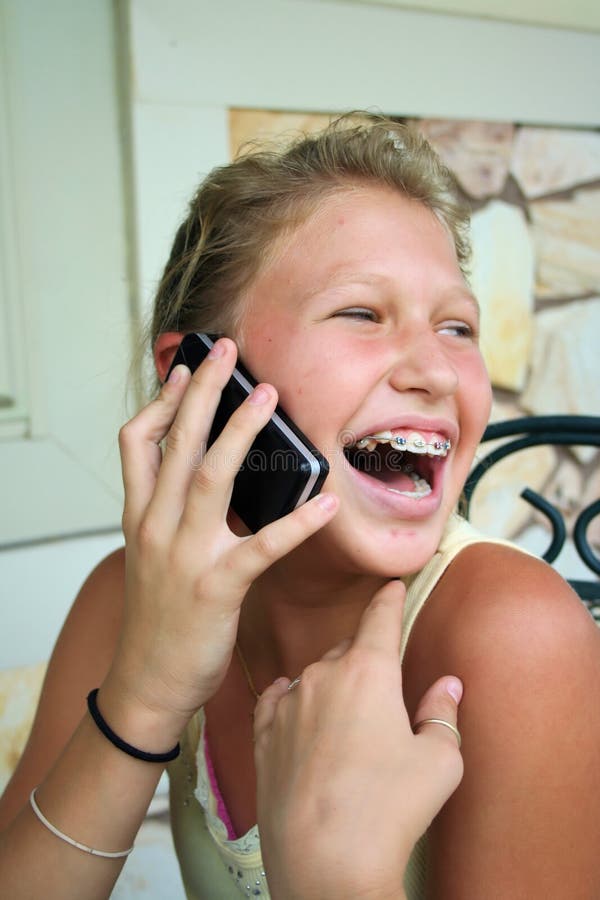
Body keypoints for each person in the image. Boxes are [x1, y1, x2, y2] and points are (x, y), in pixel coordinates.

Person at [1, 114, 599, 899]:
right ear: (196, 376)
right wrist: (144, 696)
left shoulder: (512, 634)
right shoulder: (127, 598)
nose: (440, 373)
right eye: (362, 313)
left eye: (458, 326)